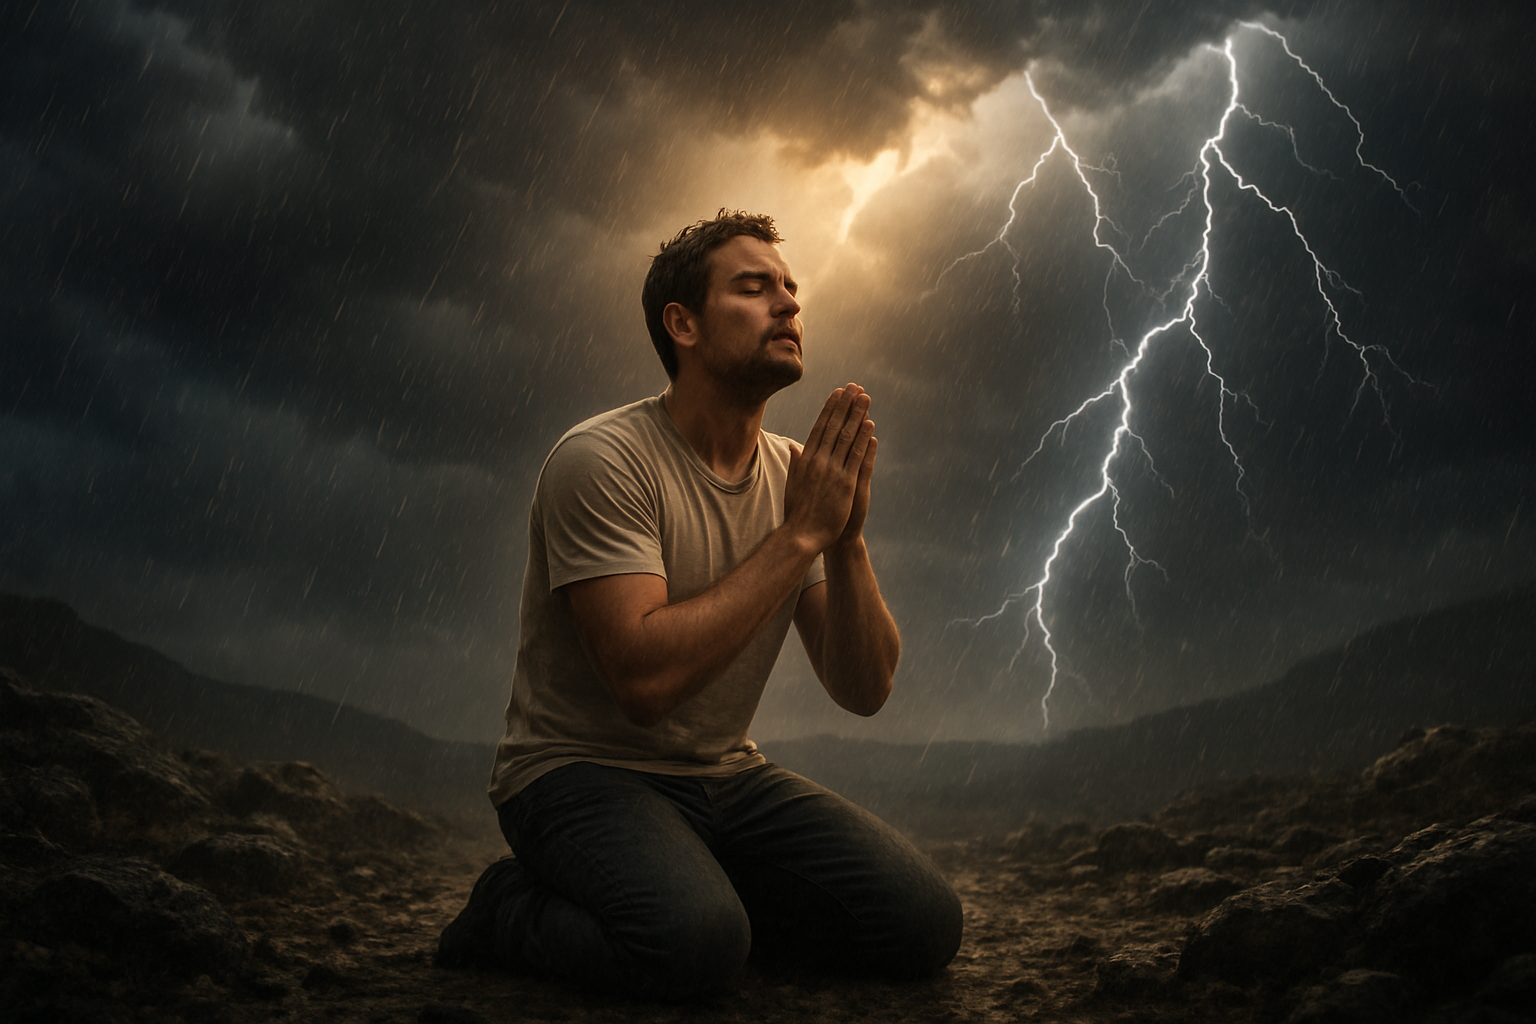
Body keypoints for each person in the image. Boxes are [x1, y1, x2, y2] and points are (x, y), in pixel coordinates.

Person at [435, 210, 962, 998]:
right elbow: (642, 686)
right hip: (576, 775)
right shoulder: (602, 461)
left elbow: (862, 690)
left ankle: (704, 893)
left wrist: (844, 538)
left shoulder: (797, 477)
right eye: (754, 289)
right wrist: (798, 537)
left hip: (727, 779)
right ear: (681, 324)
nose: (787, 304)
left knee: (924, 925)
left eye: (790, 289)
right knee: (690, 945)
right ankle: (505, 908)